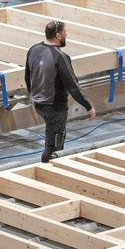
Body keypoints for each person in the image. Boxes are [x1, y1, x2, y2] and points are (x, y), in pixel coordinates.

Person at [24, 20, 96, 163]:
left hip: (39, 103)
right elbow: (72, 85)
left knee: (52, 139)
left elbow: (28, 76)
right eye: (64, 32)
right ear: (58, 35)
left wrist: (34, 94)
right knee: (53, 148)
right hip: (55, 107)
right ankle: (47, 171)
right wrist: (88, 106)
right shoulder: (60, 57)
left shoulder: (34, 50)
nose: (66, 34)